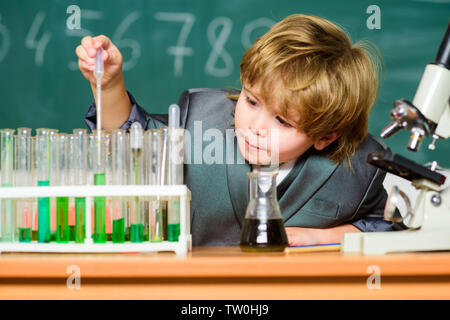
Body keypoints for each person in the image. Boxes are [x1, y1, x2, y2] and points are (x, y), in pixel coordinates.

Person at [76, 14, 401, 247]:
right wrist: (108, 86)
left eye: (283, 122)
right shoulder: (199, 122)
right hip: (192, 290)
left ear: (325, 137)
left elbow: (384, 227)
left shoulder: (358, 168)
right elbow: (132, 137)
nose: (255, 127)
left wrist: (320, 237)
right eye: (252, 101)